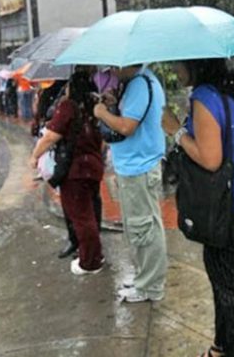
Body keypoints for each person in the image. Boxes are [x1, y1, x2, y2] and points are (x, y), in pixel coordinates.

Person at [162, 58, 234, 357]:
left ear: (195, 65)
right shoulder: (228, 90)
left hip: (224, 199)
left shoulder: (204, 97)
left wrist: (176, 130)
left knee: (229, 281)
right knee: (223, 273)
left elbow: (210, 159)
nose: (174, 70)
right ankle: (222, 346)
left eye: (177, 64)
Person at [93, 64, 168, 302]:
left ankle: (150, 287)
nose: (112, 71)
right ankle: (144, 278)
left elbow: (127, 127)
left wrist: (102, 113)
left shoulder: (139, 84)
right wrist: (114, 102)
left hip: (139, 167)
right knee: (139, 227)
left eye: (114, 66)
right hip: (135, 166)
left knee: (145, 228)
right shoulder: (138, 82)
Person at [29, 71, 105, 275]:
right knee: (91, 212)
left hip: (76, 169)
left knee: (81, 217)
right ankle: (95, 253)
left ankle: (90, 262)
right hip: (94, 165)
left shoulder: (68, 107)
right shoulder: (95, 107)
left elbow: (50, 136)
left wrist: (34, 156)